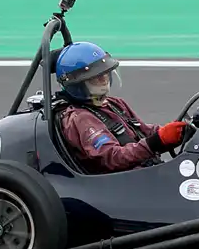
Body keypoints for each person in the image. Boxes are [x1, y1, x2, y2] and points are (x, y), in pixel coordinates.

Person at [55, 41, 187, 174]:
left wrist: (180, 131)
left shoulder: (114, 103)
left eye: (105, 73)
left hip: (144, 173)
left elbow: (142, 131)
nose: (104, 79)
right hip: (122, 181)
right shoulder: (81, 118)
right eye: (96, 77)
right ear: (78, 83)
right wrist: (155, 143)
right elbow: (112, 157)